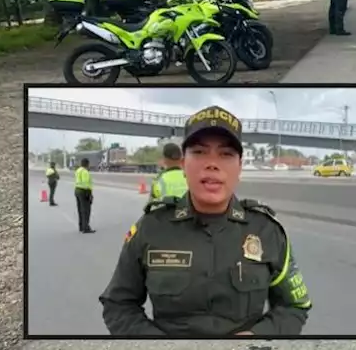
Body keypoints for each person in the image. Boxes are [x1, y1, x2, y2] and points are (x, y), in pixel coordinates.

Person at [99, 105, 312, 336]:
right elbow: (118, 304)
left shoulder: (267, 231)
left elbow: (294, 306)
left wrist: (257, 338)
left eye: (226, 154)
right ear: (183, 164)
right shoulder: (150, 228)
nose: (212, 163)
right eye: (199, 152)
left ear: (240, 167)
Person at [74, 157, 95, 234]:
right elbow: (86, 183)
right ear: (87, 164)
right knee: (86, 210)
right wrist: (89, 194)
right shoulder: (85, 172)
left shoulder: (78, 170)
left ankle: (81, 226)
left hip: (77, 190)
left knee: (80, 209)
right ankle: (86, 228)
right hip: (84, 191)